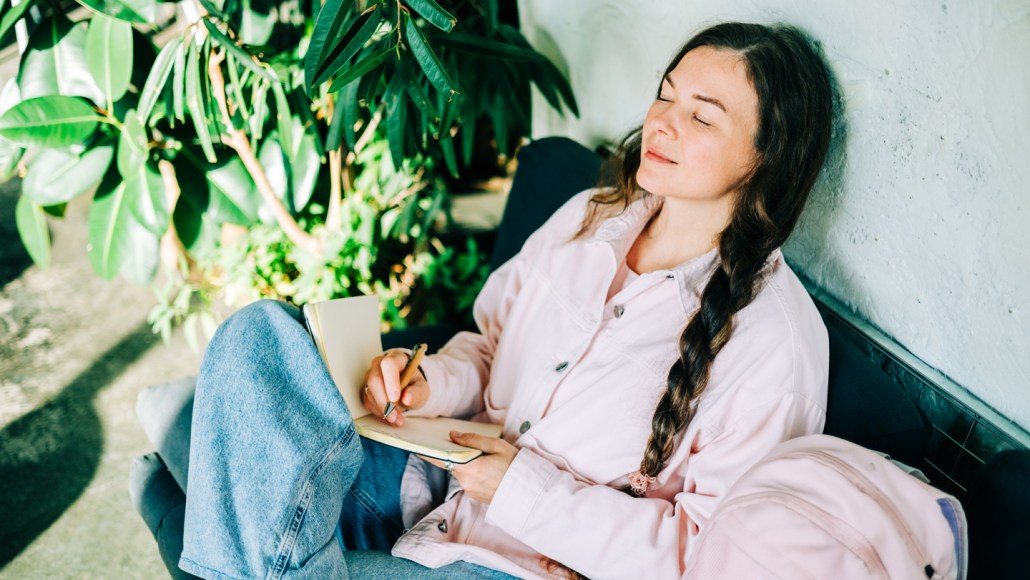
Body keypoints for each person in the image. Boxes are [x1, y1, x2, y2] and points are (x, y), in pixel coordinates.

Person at [131, 21, 835, 579]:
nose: (662, 123)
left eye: (702, 117)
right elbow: (488, 345)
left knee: (240, 505)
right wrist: (425, 380)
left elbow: (708, 556)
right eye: (666, 94)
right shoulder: (591, 216)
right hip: (431, 495)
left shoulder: (775, 342)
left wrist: (520, 489)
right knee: (261, 336)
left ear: (767, 155)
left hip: (523, 566)